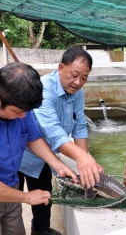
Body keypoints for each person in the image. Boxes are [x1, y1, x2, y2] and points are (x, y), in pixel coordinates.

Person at [18, 45, 104, 235]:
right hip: (21, 154)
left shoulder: (77, 94)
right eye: (74, 74)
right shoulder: (42, 88)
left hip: (45, 157)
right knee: (12, 203)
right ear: (60, 68)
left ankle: (40, 230)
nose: (78, 82)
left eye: (84, 78)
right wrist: (81, 158)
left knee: (44, 196)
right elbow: (53, 131)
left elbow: (80, 125)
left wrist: (84, 158)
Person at [0, 62, 77, 235]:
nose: (22, 116)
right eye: (17, 111)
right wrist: (27, 197)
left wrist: (59, 165)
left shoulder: (23, 112)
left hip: (11, 190)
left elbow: (33, 138)